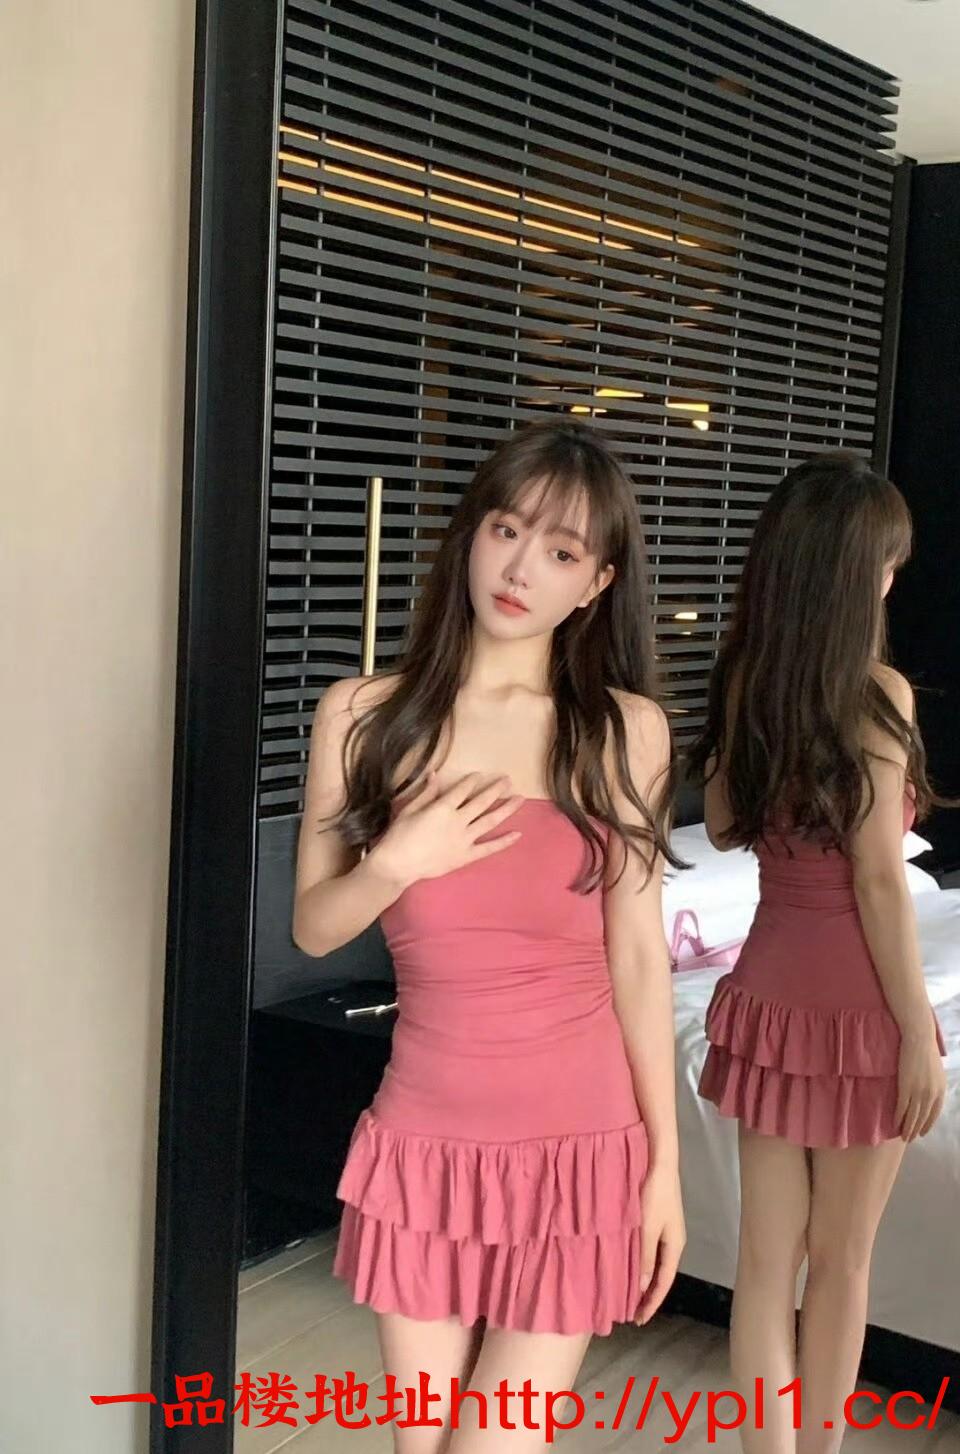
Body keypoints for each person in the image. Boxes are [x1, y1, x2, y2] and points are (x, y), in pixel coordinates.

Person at [292, 419, 687, 1452]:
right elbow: (315, 927)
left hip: (581, 1147)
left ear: (597, 582)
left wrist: (664, 1167)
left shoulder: (625, 730)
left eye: (560, 551)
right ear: (471, 533)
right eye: (506, 530)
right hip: (423, 1143)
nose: (520, 569)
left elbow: (639, 960)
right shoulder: (365, 715)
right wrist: (394, 862)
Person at [687, 450, 950, 1454]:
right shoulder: (879, 694)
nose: (890, 581)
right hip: (860, 1007)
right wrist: (918, 1036)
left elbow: (721, 828)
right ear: (850, 575)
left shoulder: (751, 680)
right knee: (841, 1262)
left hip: (765, 992)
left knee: (764, 1263)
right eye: (885, 564)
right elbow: (879, 878)